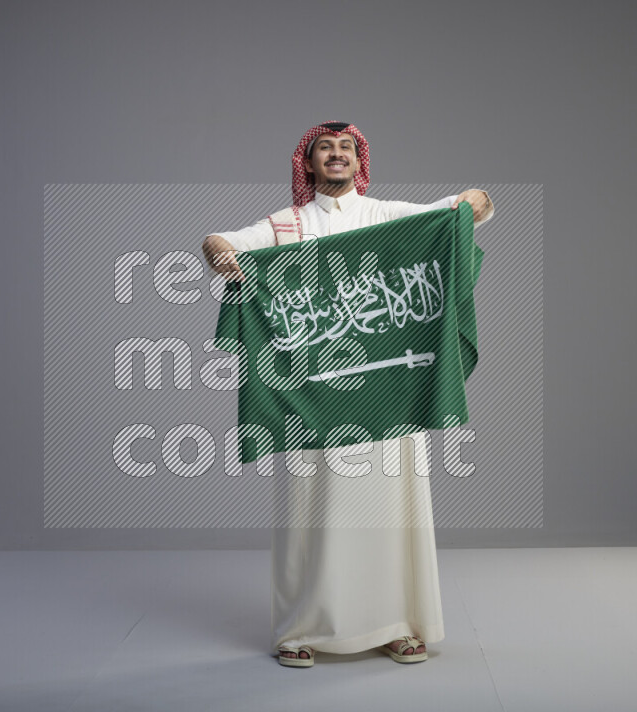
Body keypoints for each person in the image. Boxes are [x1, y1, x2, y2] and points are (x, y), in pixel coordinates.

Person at [202, 121, 494, 667]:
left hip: (386, 392)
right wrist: (217, 250)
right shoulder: (287, 225)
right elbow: (227, 242)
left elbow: (455, 210)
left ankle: (400, 624)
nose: (335, 156)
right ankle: (300, 631)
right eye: (324, 149)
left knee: (392, 509)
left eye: (345, 149)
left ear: (358, 163)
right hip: (312, 398)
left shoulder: (385, 216)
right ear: (307, 164)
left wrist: (475, 202)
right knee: (309, 514)